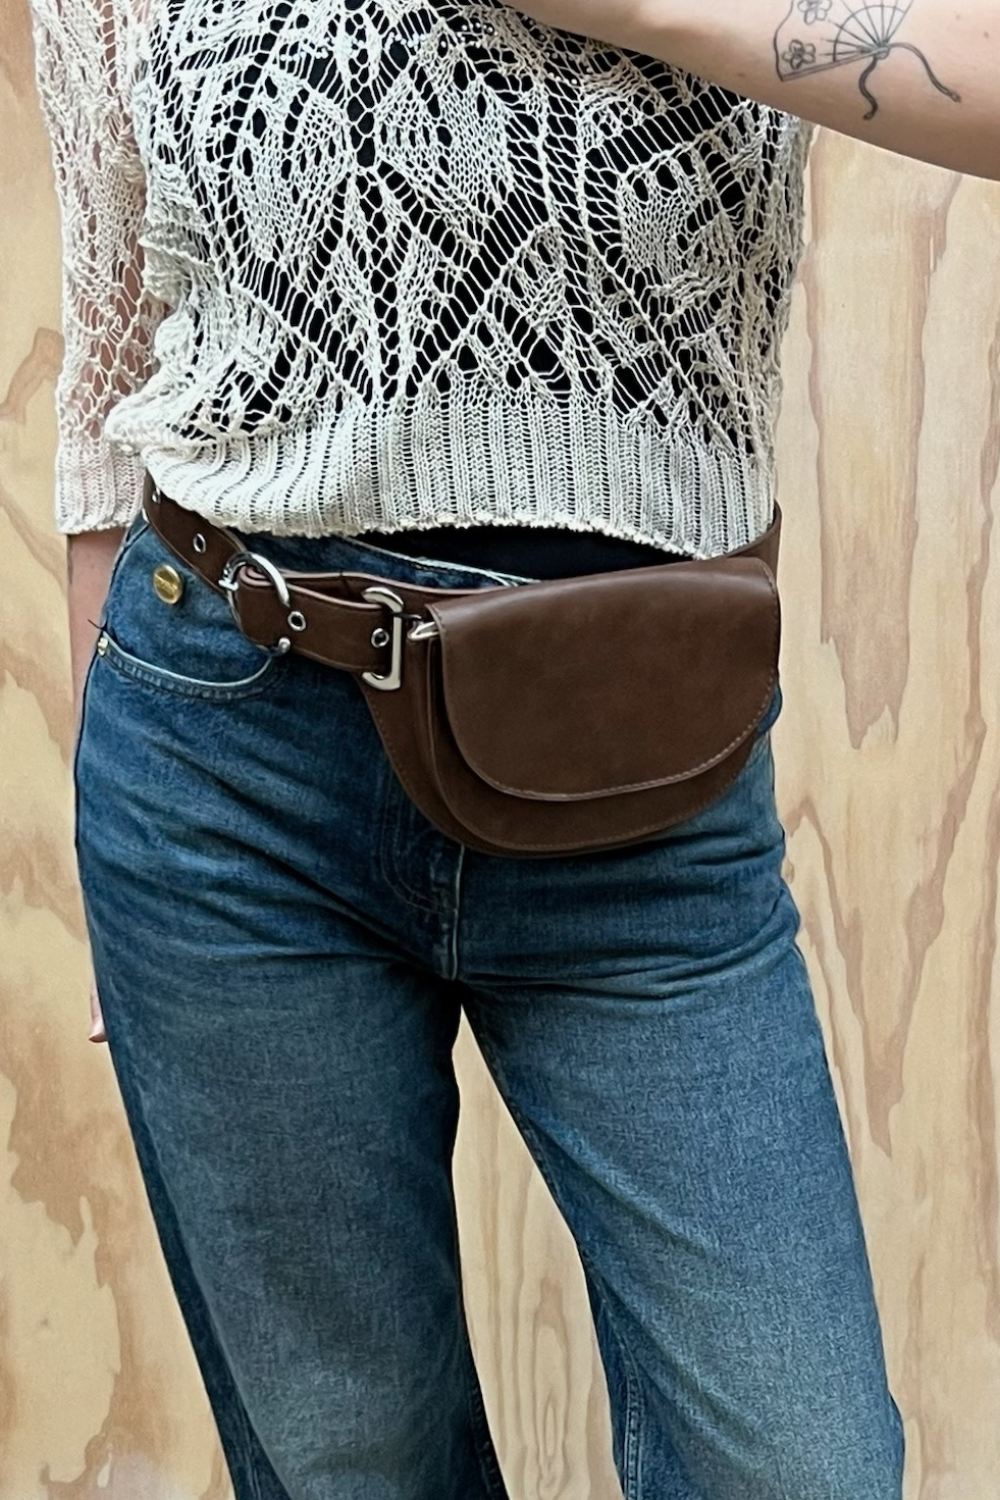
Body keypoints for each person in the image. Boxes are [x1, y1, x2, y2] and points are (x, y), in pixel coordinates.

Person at [26, 1, 996, 1496]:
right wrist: (115, 837)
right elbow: (106, 374)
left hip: (641, 774)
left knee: (805, 1464)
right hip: (225, 766)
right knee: (352, 1461)